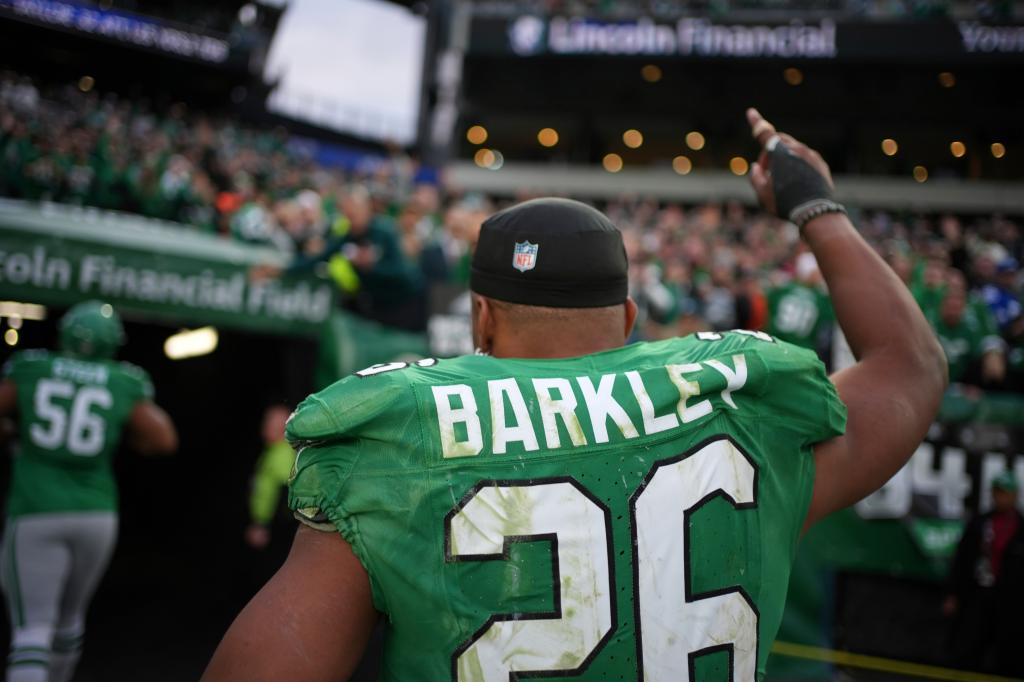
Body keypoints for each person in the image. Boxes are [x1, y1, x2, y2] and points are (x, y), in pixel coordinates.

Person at [203, 110, 946, 680]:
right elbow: (910, 366)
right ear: (627, 319)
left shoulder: (403, 430)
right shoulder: (743, 419)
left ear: (482, 318)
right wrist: (816, 204)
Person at [0, 301, 177, 682]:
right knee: (68, 621)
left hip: (37, 505)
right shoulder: (122, 380)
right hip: (96, 511)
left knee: (32, 629)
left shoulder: (32, 368)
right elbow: (163, 438)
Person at [944, 471, 1024, 676]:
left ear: (1015, 495)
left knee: (1008, 654)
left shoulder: (1020, 527)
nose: (1001, 498)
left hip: (1010, 600)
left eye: (1006, 493)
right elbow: (962, 559)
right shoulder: (980, 522)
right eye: (998, 492)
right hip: (978, 593)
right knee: (967, 648)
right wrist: (954, 593)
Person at [244, 405, 296, 554]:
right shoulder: (273, 451)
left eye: (269, 424)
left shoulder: (282, 456)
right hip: (265, 520)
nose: (264, 427)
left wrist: (262, 525)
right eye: (265, 422)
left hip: (274, 526)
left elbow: (285, 493)